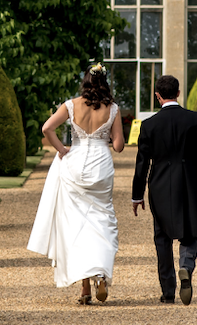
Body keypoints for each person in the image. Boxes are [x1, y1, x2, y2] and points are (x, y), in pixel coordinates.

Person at [26, 65, 126, 305]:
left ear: (86, 82)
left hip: (75, 163)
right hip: (101, 165)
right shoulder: (112, 109)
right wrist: (110, 137)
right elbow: (120, 145)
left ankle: (84, 288)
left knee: (76, 224)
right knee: (102, 219)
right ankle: (99, 274)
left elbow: (47, 128)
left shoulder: (71, 105)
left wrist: (62, 150)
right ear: (105, 84)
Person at [129, 74, 197, 305]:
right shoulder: (196, 119)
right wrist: (195, 167)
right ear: (178, 93)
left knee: (162, 236)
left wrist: (137, 196)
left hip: (160, 184)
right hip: (190, 180)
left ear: (158, 96)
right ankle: (186, 266)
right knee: (190, 232)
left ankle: (168, 292)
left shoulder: (149, 125)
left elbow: (142, 163)